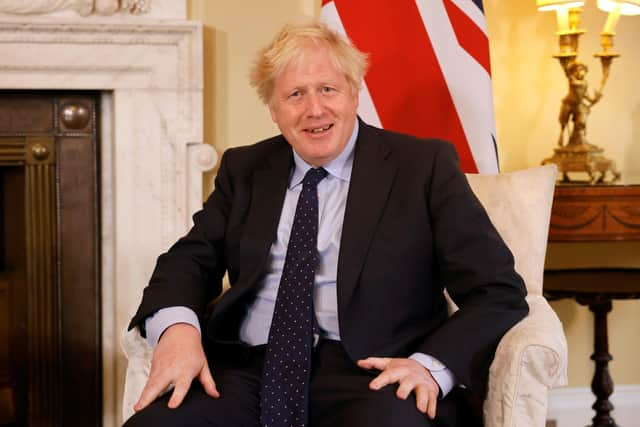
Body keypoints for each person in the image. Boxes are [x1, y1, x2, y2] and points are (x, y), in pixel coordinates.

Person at [124, 21, 528, 427]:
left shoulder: (422, 167)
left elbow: (496, 289)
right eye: (295, 94)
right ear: (274, 110)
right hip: (246, 369)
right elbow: (189, 260)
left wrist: (429, 366)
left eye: (328, 89)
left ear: (354, 94)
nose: (314, 109)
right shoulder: (246, 168)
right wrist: (177, 330)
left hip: (372, 374)